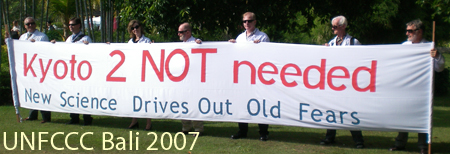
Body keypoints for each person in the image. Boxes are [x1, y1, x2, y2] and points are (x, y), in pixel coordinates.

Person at [389, 19, 445, 154]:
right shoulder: (404, 46)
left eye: (410, 31)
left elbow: (440, 68)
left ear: (419, 32)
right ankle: (400, 143)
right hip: (405, 89)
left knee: (422, 118)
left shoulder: (429, 47)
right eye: (407, 30)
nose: (407, 33)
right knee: (403, 117)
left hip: (422, 90)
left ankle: (423, 146)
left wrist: (436, 56)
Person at [320, 15, 365, 149]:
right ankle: (330, 136)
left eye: (335, 26)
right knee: (331, 108)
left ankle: (358, 140)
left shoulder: (353, 42)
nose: (332, 29)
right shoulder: (332, 42)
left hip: (349, 81)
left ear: (343, 26)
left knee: (350, 110)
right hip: (334, 81)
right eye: (332, 26)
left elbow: (362, 59)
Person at [229, 12, 270, 141]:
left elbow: (268, 56)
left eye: (249, 21)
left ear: (255, 22)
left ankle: (263, 132)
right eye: (244, 21)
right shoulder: (240, 38)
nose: (247, 24)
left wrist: (260, 47)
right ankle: (242, 130)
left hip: (258, 76)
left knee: (260, 102)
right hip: (243, 76)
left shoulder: (263, 37)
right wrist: (231, 45)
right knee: (242, 103)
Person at [17, 17, 51, 123]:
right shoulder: (22, 37)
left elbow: (46, 51)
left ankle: (46, 116)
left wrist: (34, 45)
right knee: (32, 92)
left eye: (32, 23)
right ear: (25, 26)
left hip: (40, 68)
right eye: (28, 24)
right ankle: (32, 115)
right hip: (28, 69)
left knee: (42, 92)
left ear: (35, 24)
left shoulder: (42, 36)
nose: (30, 26)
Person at [60, 17, 93, 125]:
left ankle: (87, 118)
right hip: (71, 71)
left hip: (83, 71)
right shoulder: (69, 39)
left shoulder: (86, 38)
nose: (71, 27)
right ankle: (74, 117)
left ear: (79, 25)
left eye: (73, 25)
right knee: (72, 94)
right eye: (69, 25)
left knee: (83, 95)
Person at [126, 20, 153, 130]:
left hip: (144, 73)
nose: (135, 29)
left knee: (146, 97)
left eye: (137, 27)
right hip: (133, 73)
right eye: (133, 28)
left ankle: (148, 122)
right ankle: (134, 120)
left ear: (141, 27)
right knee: (134, 97)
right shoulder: (130, 42)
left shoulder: (146, 41)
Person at [178, 22, 203, 136]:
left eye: (181, 32)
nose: (178, 34)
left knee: (194, 104)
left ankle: (198, 129)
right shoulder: (181, 45)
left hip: (194, 80)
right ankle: (186, 127)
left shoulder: (196, 43)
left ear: (188, 32)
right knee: (183, 103)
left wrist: (199, 44)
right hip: (182, 79)